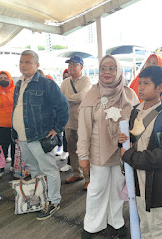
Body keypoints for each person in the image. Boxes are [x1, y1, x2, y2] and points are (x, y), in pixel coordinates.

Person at [77, 55, 139, 238]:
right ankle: (92, 224)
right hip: (98, 150)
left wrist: (129, 136)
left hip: (122, 152)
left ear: (119, 70)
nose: (107, 72)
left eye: (112, 68)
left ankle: (116, 220)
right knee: (97, 188)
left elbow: (137, 125)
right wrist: (83, 156)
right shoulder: (92, 94)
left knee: (119, 187)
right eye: (103, 68)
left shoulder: (129, 95)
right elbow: (84, 128)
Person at [119, 65, 162, 239]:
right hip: (138, 183)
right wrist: (122, 142)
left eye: (146, 84)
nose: (140, 88)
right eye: (140, 83)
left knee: (160, 229)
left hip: (158, 186)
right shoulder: (135, 112)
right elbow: (132, 143)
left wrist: (128, 155)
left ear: (160, 88)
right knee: (144, 226)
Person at [12, 50, 69, 220]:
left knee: (48, 169)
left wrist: (57, 128)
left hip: (40, 136)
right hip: (22, 137)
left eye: (28, 62)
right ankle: (41, 196)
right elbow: (17, 108)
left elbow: (63, 107)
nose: (24, 65)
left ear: (37, 65)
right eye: (21, 61)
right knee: (34, 169)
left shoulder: (46, 84)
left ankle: (53, 201)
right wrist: (15, 132)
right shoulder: (18, 83)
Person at [61, 55, 92, 190]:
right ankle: (76, 173)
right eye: (69, 65)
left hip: (83, 123)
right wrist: (72, 99)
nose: (71, 67)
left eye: (74, 64)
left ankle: (89, 178)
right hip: (69, 122)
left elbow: (83, 96)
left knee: (85, 151)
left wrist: (68, 99)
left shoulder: (86, 80)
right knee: (72, 150)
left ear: (81, 67)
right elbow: (60, 99)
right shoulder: (65, 82)